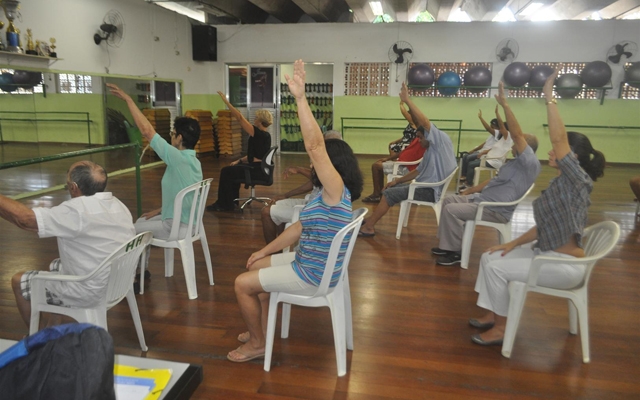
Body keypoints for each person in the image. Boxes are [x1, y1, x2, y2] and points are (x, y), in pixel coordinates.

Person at [227, 59, 363, 362]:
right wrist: (265, 251)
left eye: (324, 161)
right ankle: (259, 329)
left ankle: (258, 345)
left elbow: (315, 146)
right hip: (310, 262)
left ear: (334, 166)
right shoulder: (329, 196)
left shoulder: (334, 190)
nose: (316, 162)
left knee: (240, 284)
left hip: (311, 274)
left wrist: (300, 98)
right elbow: (299, 228)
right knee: (254, 267)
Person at [469, 74, 606, 346]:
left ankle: (501, 329)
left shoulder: (577, 180)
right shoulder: (563, 183)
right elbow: (546, 225)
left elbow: (558, 138)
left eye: (560, 150)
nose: (552, 151)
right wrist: (512, 243)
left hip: (563, 266)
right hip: (546, 252)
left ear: (573, 158)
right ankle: (493, 313)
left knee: (496, 269)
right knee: (490, 257)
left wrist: (549, 97)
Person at [0, 161, 136, 328]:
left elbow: (25, 220)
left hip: (90, 291)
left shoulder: (76, 210)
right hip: (118, 282)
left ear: (73, 187)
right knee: (57, 265)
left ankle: (39, 339)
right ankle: (53, 329)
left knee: (18, 281)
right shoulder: (117, 204)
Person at [432, 103, 541, 266]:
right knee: (448, 201)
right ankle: (447, 245)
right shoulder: (515, 163)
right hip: (483, 199)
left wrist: (504, 105)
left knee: (450, 210)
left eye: (516, 143)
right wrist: (469, 191)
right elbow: (493, 180)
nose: (512, 145)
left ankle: (455, 253)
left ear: (525, 147)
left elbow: (517, 135)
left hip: (494, 209)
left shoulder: (530, 164)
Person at [358, 82, 457, 237]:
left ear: (428, 136)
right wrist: (396, 181)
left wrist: (407, 100)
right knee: (390, 189)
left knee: (390, 195)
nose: (418, 140)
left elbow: (424, 122)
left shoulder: (439, 141)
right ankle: (371, 220)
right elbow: (418, 170)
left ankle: (369, 227)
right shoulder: (431, 150)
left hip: (430, 191)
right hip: (426, 186)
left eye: (419, 137)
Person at [107, 84, 203, 241]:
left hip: (176, 227)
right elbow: (185, 197)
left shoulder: (177, 158)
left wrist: (128, 100)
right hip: (188, 222)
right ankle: (142, 265)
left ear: (179, 138)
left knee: (129, 230)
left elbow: (147, 131)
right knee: (141, 220)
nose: (171, 137)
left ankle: (133, 265)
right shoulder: (194, 161)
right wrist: (160, 210)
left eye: (173, 134)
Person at [261, 131, 342, 245]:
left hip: (315, 211)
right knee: (276, 204)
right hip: (311, 203)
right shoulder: (335, 159)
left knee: (266, 212)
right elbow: (314, 182)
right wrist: (286, 195)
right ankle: (280, 248)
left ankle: (273, 251)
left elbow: (320, 178)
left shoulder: (336, 162)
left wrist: (299, 169)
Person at [207, 91, 272, 212]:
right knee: (232, 170)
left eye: (256, 117)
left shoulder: (258, 134)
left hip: (255, 170)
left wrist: (226, 102)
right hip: (259, 168)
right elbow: (256, 156)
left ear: (260, 121)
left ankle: (223, 204)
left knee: (225, 172)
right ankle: (231, 202)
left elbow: (240, 117)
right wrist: (239, 160)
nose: (254, 119)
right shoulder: (265, 135)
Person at [361, 102, 426, 204]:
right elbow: (405, 151)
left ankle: (377, 195)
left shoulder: (424, 139)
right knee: (379, 163)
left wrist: (405, 102)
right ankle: (379, 193)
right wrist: (388, 158)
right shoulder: (418, 137)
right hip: (401, 163)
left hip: (406, 167)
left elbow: (413, 118)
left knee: (376, 166)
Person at [462, 107, 513, 189]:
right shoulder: (502, 139)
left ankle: (469, 184)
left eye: (501, 129)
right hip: (489, 158)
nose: (500, 130)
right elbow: (492, 148)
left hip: (494, 162)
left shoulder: (508, 137)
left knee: (471, 164)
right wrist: (482, 152)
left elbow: (501, 126)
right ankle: (467, 180)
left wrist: (497, 114)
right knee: (470, 160)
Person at [459, 109, 502, 186]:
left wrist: (481, 118)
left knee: (469, 159)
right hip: (482, 151)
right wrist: (473, 150)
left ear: (497, 127)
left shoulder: (498, 133)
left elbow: (487, 128)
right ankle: (464, 176)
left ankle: (468, 181)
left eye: (493, 127)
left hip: (486, 154)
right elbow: (484, 144)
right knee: (466, 156)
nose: (491, 128)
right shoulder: (492, 135)